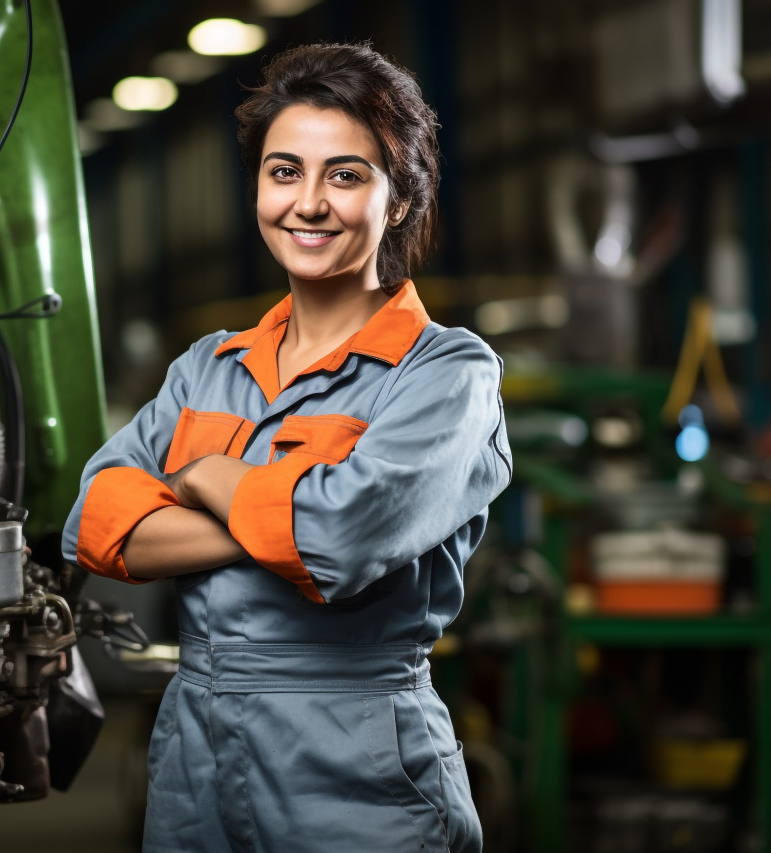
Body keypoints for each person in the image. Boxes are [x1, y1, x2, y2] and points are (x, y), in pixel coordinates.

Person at [62, 42, 511, 853]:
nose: (308, 203)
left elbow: (338, 540)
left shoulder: (447, 374)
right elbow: (97, 520)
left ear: (400, 199)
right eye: (283, 172)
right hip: (195, 755)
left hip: (357, 762)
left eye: (345, 175)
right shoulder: (209, 366)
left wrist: (205, 475)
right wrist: (286, 511)